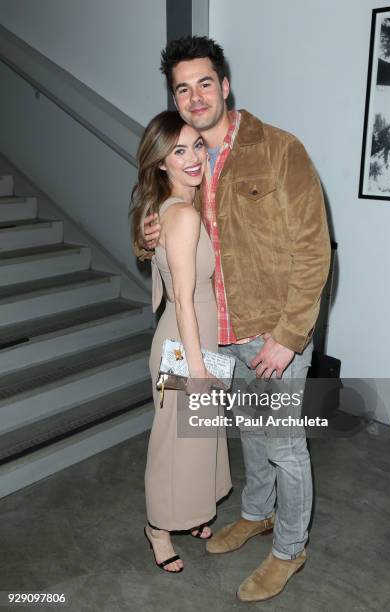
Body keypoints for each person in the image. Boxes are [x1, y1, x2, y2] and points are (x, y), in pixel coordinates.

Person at [134, 37, 331, 602]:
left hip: (273, 334)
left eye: (204, 83)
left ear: (224, 86)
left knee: (287, 444)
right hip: (221, 333)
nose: (194, 96)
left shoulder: (279, 150)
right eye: (181, 87)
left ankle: (290, 549)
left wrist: (290, 337)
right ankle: (254, 514)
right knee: (247, 430)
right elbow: (181, 239)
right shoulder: (190, 160)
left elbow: (314, 251)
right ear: (174, 96)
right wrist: (151, 237)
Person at [130, 110, 232, 573]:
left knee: (197, 436)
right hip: (183, 340)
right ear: (161, 163)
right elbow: (186, 300)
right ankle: (157, 527)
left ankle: (187, 512)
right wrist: (197, 369)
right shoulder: (183, 215)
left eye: (196, 145)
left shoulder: (166, 208)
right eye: (178, 151)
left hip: (193, 335)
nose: (192, 157)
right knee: (173, 440)